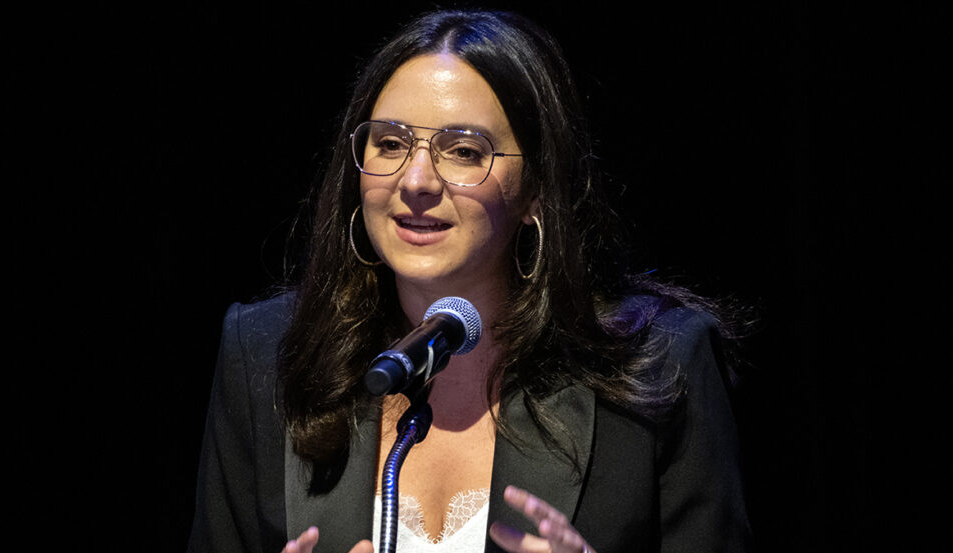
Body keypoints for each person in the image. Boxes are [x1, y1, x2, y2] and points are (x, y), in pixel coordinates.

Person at [188, 9, 751, 553]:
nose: (415, 181)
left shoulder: (662, 362)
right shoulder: (263, 352)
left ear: (536, 189)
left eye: (462, 151)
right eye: (389, 143)